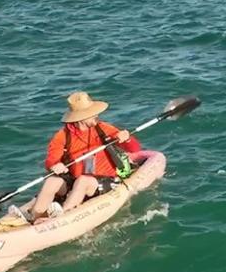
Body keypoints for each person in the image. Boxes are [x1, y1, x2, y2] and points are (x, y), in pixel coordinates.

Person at [9, 92, 141, 223]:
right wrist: (54, 165)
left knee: (83, 181)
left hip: (103, 182)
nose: (97, 115)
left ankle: (63, 216)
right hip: (74, 181)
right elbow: (51, 160)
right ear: (81, 118)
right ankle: (34, 216)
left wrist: (127, 139)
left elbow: (134, 149)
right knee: (52, 181)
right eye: (92, 113)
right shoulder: (63, 136)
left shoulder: (104, 128)